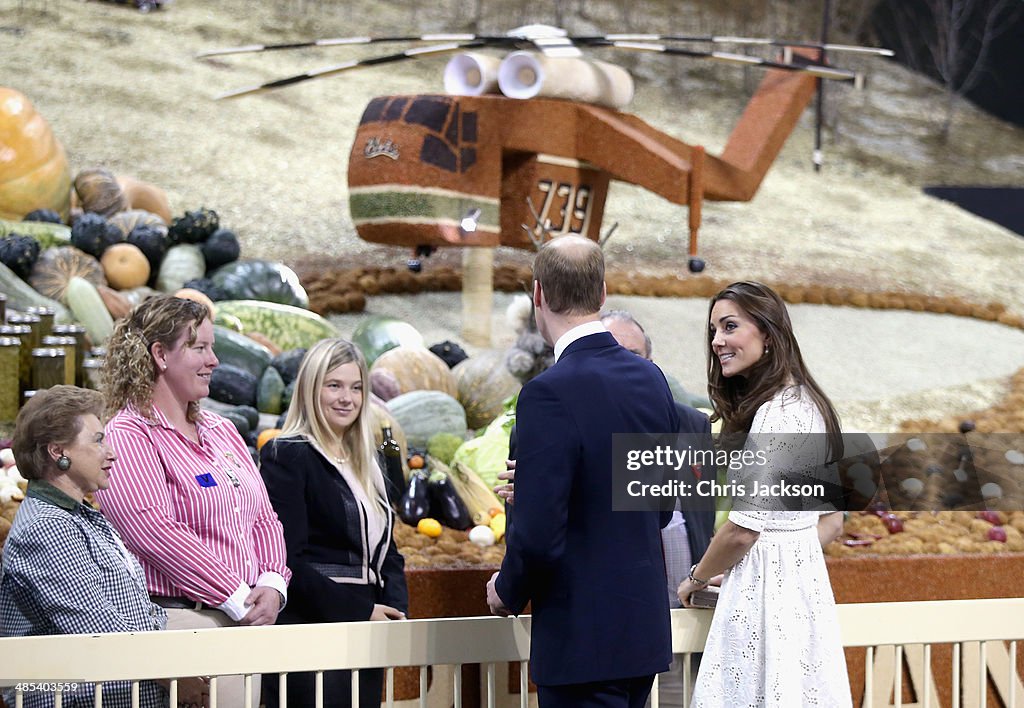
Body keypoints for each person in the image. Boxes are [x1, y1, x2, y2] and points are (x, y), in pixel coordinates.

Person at [486, 235, 680, 708]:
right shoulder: (652, 379)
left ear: (538, 295)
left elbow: (539, 537)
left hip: (583, 642)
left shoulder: (548, 393)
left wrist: (506, 590)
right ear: (603, 293)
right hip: (641, 638)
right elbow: (658, 507)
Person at [95, 295, 290, 708]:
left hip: (246, 622)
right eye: (199, 347)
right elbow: (155, 534)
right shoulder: (129, 436)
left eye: (212, 347)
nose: (214, 360)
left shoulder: (222, 429)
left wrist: (273, 583)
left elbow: (263, 516)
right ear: (160, 355)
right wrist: (238, 597)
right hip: (185, 623)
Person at [676, 281, 850, 707]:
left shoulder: (778, 415)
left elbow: (743, 531)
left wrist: (696, 577)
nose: (717, 341)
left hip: (765, 607)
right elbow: (832, 521)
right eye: (714, 329)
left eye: (730, 326)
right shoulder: (809, 403)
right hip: (802, 601)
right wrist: (770, 563)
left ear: (768, 335)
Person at [1, 385, 208, 708]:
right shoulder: (46, 529)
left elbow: (136, 610)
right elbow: (102, 632)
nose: (111, 452)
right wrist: (174, 677)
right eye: (98, 440)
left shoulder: (80, 515)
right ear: (58, 452)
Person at [259, 338, 408, 708]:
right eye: (334, 385)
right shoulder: (287, 455)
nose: (347, 398)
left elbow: (390, 552)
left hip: (366, 633)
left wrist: (394, 611)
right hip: (313, 633)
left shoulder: (370, 461)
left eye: (356, 387)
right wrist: (362, 612)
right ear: (312, 390)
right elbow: (288, 561)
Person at [599, 310, 715, 708]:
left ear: (651, 364)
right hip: (617, 622)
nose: (626, 365)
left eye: (635, 355)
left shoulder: (692, 424)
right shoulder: (584, 428)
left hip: (686, 611)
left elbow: (702, 514)